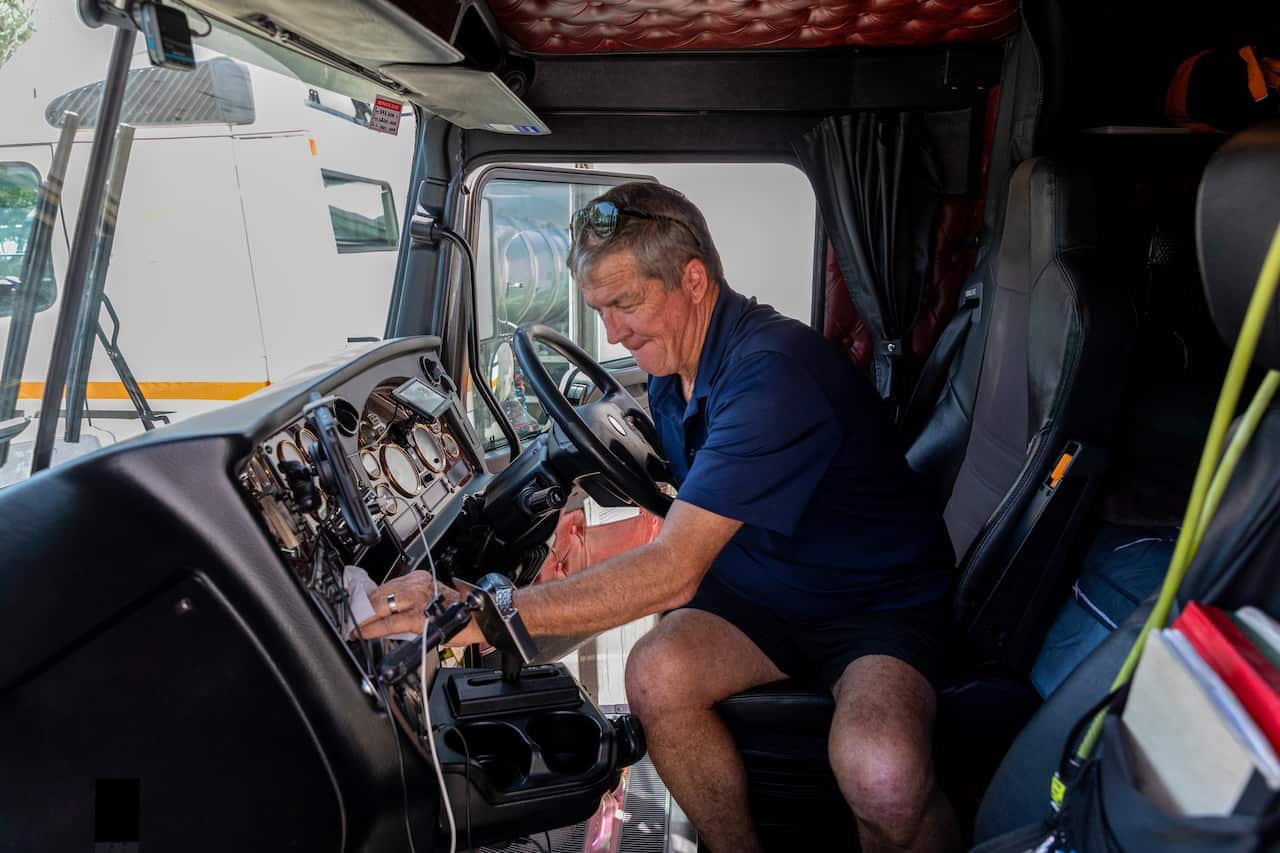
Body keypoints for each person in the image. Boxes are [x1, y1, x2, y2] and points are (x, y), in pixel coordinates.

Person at [359, 182, 961, 853]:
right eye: (599, 310)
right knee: (654, 673)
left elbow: (675, 569)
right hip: (765, 586)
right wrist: (589, 545)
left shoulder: (774, 374)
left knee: (881, 773)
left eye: (624, 303)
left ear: (693, 279)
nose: (613, 330)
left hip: (872, 605)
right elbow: (693, 513)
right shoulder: (681, 372)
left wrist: (476, 608)